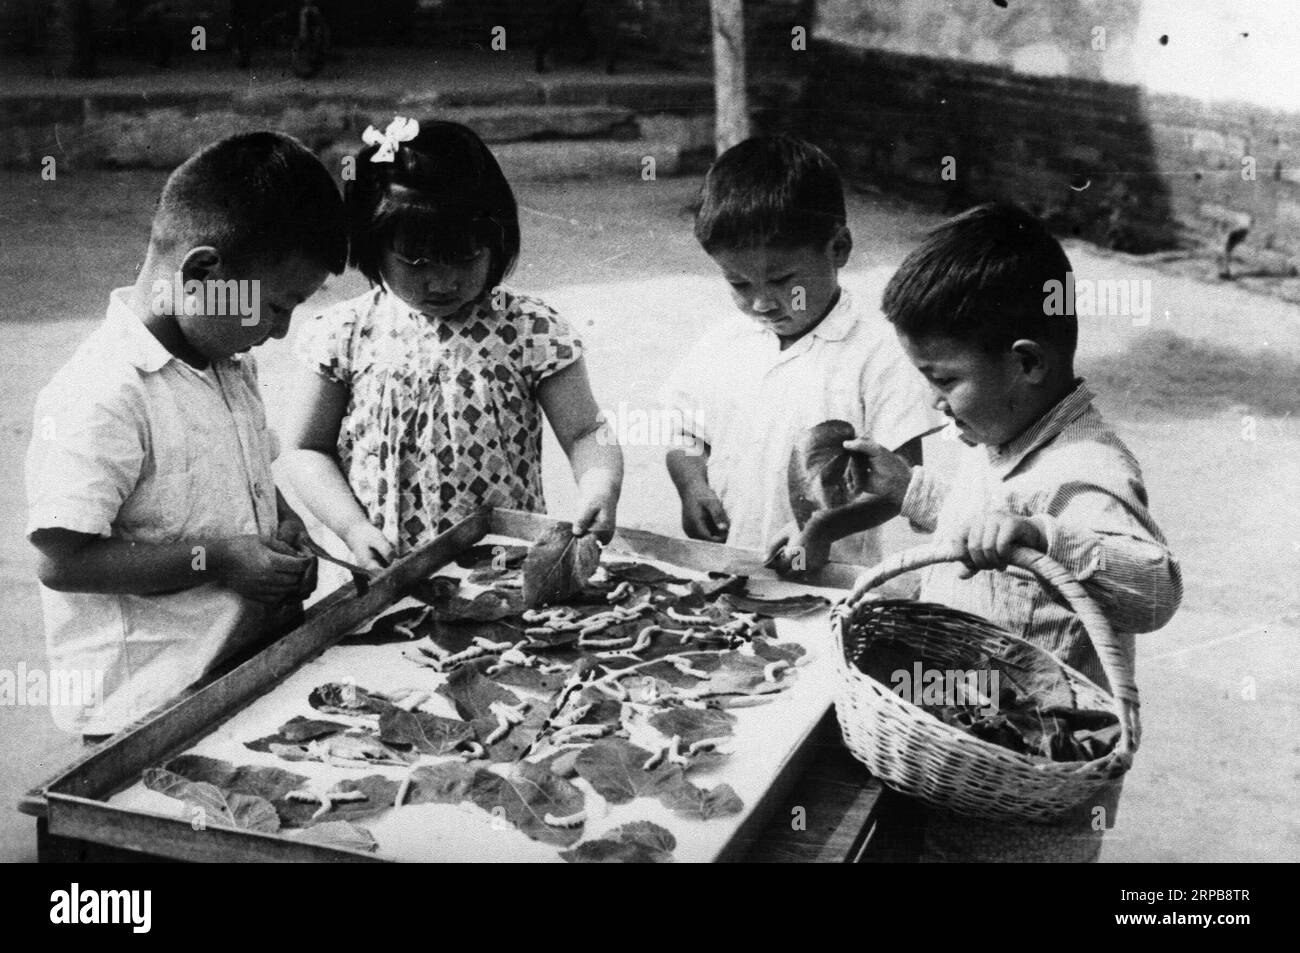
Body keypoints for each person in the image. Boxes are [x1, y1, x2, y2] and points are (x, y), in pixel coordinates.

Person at [843, 202, 1183, 861]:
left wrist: (1047, 535)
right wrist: (908, 489)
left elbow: (1156, 586)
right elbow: (979, 523)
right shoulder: (999, 433)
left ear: (1027, 363)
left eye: (944, 379)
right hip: (965, 752)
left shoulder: (1087, 470)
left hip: (1028, 803)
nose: (935, 403)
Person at [26, 132, 346, 740]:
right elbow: (60, 561)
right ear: (202, 271)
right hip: (147, 707)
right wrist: (220, 559)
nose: (281, 332)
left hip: (242, 666)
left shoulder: (227, 360)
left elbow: (250, 466)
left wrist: (280, 521)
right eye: (276, 307)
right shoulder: (101, 393)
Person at [282, 118, 623, 570]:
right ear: (372, 244)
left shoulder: (529, 329)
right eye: (416, 262)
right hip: (381, 565)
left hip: (501, 565)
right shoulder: (344, 334)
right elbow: (307, 448)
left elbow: (585, 431)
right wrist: (351, 527)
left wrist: (600, 486)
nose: (443, 282)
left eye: (466, 258)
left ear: (496, 243)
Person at [663, 134, 938, 574]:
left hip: (829, 575)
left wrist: (823, 530)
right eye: (739, 284)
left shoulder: (878, 355)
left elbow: (897, 481)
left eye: (782, 280)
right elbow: (686, 432)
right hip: (730, 563)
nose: (762, 303)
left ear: (839, 248)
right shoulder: (721, 344)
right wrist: (691, 484)